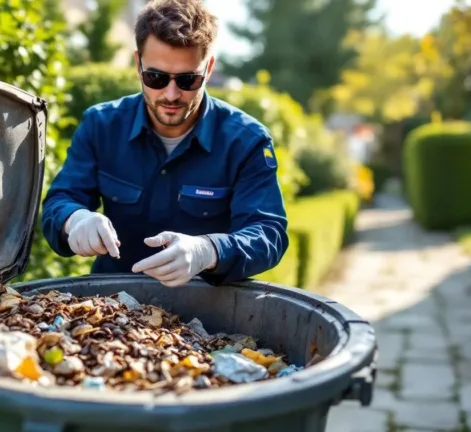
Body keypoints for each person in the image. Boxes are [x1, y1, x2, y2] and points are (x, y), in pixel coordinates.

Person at [41, 0, 288, 287]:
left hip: (206, 317)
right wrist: (76, 219)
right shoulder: (101, 125)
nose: (171, 95)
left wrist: (208, 250)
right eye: (155, 77)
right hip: (109, 310)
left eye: (187, 80)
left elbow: (269, 233)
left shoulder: (246, 140)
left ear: (208, 69)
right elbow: (60, 201)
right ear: (138, 64)